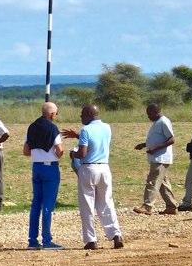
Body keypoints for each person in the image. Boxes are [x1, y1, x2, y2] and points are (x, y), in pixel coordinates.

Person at [61, 105, 124, 250]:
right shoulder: (107, 127)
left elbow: (82, 153)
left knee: (87, 205)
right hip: (104, 168)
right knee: (106, 203)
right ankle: (116, 235)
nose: (81, 117)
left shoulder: (86, 130)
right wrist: (77, 136)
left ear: (89, 114)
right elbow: (96, 140)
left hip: (89, 169)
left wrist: (73, 154)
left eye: (82, 114)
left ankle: (91, 239)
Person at [23, 102, 65, 249]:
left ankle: (32, 240)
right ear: (52, 114)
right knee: (47, 205)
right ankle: (47, 240)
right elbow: (59, 151)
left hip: (36, 167)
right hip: (50, 167)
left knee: (36, 204)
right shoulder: (53, 128)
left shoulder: (31, 127)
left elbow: (26, 151)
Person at [132, 104, 178, 215]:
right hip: (157, 157)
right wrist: (144, 145)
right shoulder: (157, 122)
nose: (148, 117)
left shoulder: (164, 122)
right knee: (162, 183)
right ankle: (171, 207)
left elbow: (171, 139)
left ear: (155, 112)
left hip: (161, 158)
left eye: (149, 114)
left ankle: (147, 206)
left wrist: (155, 148)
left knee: (152, 181)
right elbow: (158, 138)